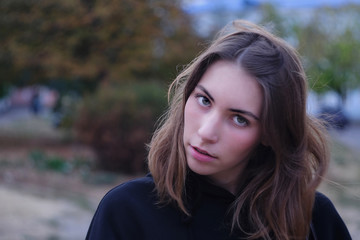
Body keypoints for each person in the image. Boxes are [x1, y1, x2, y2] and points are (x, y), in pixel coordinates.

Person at [86, 20, 352, 240]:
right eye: (204, 100)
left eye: (239, 119)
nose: (206, 132)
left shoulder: (313, 219)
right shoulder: (128, 211)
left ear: (271, 134)